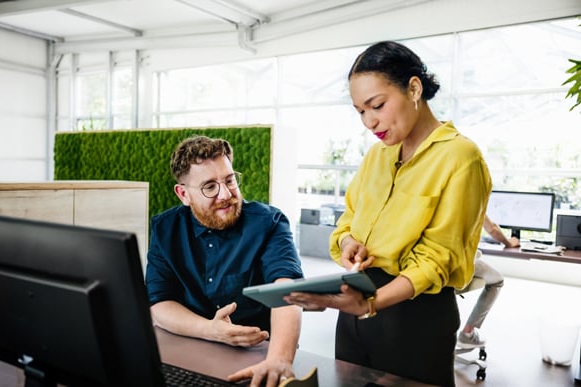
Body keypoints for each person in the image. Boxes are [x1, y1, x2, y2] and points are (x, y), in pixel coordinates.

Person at [282, 41, 492, 387]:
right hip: (355, 309)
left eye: (376, 105)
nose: (369, 121)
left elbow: (439, 258)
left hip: (415, 316)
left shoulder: (461, 157)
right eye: (360, 111)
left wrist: (370, 304)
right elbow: (347, 221)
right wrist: (350, 241)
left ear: (414, 88)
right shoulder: (378, 156)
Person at [145, 135, 304, 386]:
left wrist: (280, 359)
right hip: (186, 346)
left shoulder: (269, 223)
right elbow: (159, 302)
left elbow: (287, 290)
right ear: (183, 194)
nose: (225, 194)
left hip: (257, 355)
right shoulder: (166, 229)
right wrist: (210, 330)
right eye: (209, 186)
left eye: (230, 180)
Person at [457, 215, 515, 348]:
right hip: (456, 263)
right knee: (497, 280)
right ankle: (467, 333)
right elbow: (493, 229)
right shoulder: (470, 195)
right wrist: (510, 243)